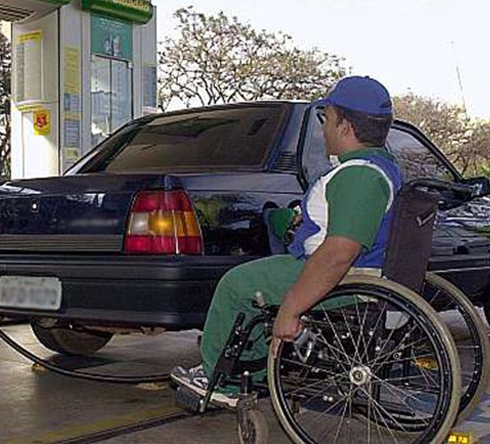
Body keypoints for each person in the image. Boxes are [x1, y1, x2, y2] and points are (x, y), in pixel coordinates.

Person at [171, 76, 403, 407]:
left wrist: (291, 309)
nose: (323, 129)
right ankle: (251, 364)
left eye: (327, 119)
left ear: (345, 126)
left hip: (347, 276)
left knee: (237, 285)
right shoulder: (379, 167)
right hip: (355, 268)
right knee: (262, 272)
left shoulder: (360, 176)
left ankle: (220, 379)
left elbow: (340, 252)